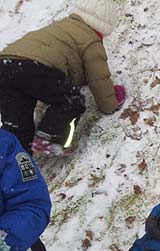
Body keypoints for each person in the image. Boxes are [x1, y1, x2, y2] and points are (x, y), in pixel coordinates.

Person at [0, 0, 126, 156]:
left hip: (6, 63)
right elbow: (99, 78)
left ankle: (11, 162)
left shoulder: (63, 27)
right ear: (105, 25)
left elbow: (61, 59)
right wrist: (110, 103)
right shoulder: (91, 40)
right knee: (71, 100)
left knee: (17, 125)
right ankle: (49, 138)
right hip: (32, 67)